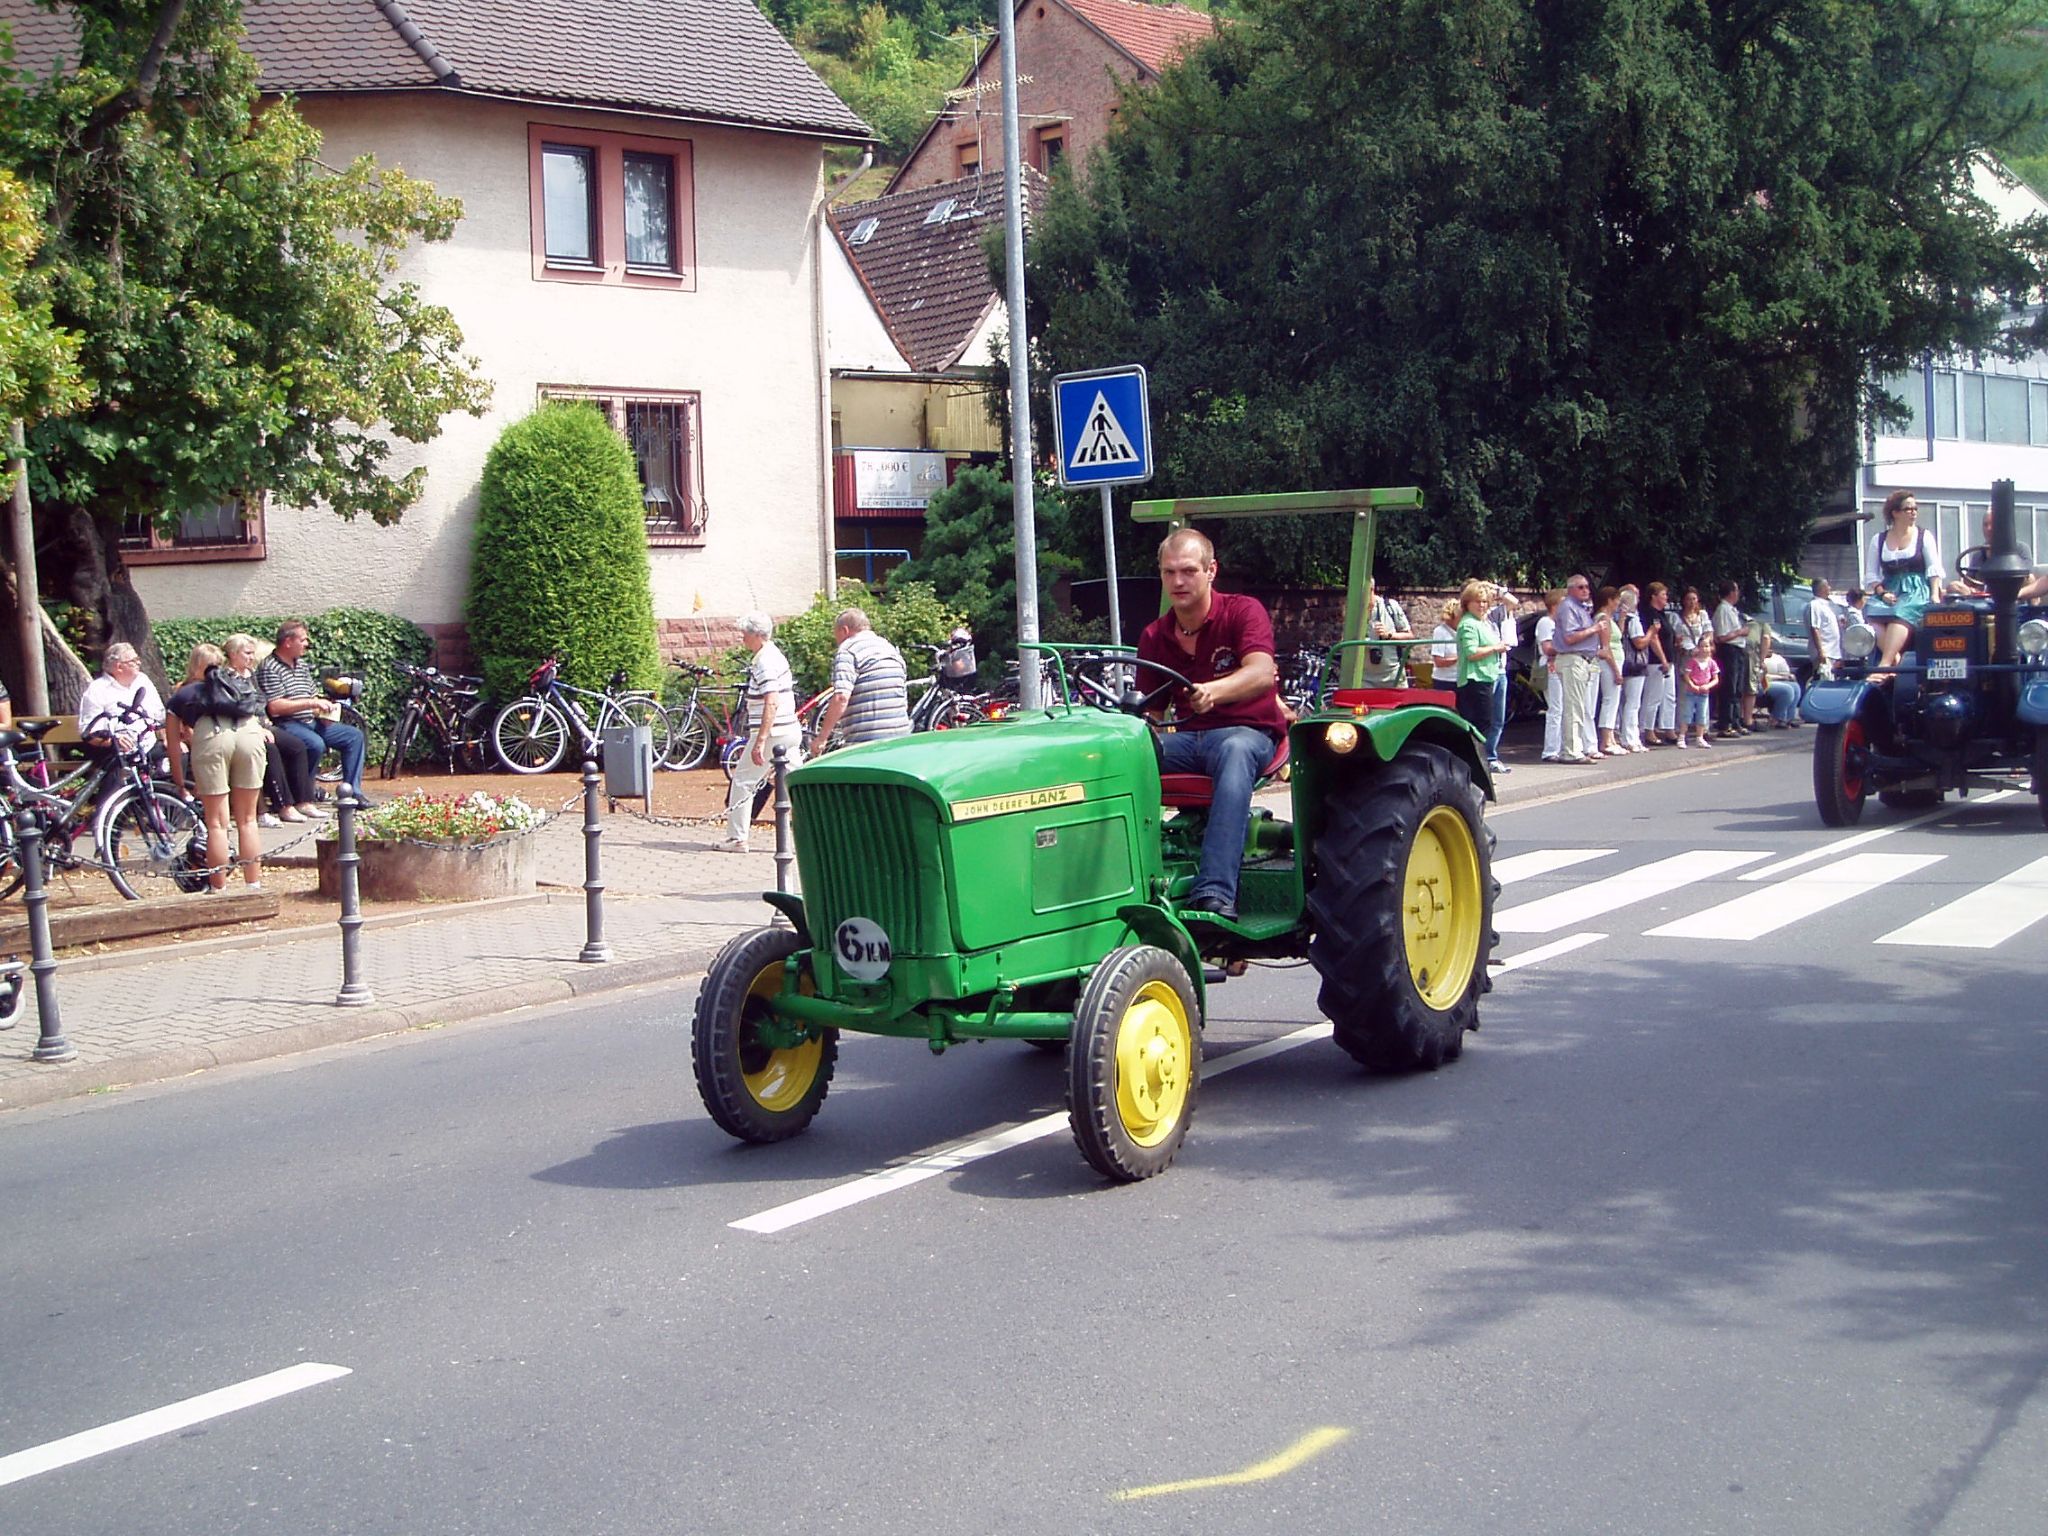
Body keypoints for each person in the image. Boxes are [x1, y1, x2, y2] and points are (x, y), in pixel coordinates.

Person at [1135, 527, 1288, 921]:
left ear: (1211, 571)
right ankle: (1130, 881)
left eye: (1188, 570)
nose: (1178, 581)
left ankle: (1215, 893)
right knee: (1126, 757)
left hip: (1248, 733)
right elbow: (1150, 715)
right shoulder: (1155, 636)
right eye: (1169, 573)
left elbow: (1261, 672)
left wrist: (1215, 692)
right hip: (1189, 741)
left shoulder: (1242, 612)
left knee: (1234, 751)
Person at [170, 635, 270, 892]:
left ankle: (219, 889)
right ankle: (253, 886)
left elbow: (172, 741)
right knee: (248, 819)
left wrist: (180, 781)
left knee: (216, 823)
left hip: (212, 735)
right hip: (248, 731)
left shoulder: (187, 692)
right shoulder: (241, 686)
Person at [718, 612, 804, 852]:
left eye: (745, 634)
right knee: (792, 783)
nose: (742, 638)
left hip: (773, 732)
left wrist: (761, 739)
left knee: (744, 780)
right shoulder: (776, 655)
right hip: (789, 729)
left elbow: (771, 700)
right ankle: (809, 835)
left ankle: (737, 838)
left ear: (757, 635)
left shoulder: (763, 660)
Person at [258, 620, 370, 802]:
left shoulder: (301, 665)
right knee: (315, 743)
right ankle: (302, 794)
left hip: (312, 721)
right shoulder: (269, 667)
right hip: (287, 723)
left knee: (354, 736)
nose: (307, 644)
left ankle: (353, 793)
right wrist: (311, 703)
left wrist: (324, 711)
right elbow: (275, 707)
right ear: (288, 642)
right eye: (302, 640)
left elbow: (312, 695)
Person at [1867, 490, 1945, 674]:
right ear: (1895, 513)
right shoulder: (1878, 540)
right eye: (1908, 509)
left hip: (1916, 588)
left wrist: (1934, 594)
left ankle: (1884, 666)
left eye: (1915, 508)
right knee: (1871, 613)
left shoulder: (1923, 536)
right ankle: (1896, 659)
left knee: (1901, 613)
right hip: (1889, 588)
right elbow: (1871, 574)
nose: (1913, 512)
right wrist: (1882, 593)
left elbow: (1934, 568)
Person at [812, 607, 912, 749]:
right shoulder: (889, 648)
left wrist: (822, 738)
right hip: (900, 737)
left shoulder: (848, 650)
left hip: (867, 743)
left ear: (844, 630)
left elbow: (841, 697)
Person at [1454, 580, 1511, 775]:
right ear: (1467, 603)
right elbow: (1471, 653)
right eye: (1477, 601)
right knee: (1478, 726)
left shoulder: (1482, 623)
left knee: (1486, 724)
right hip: (1474, 679)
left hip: (1487, 677)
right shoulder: (1468, 624)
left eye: (1485, 602)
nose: (1482, 605)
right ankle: (1473, 768)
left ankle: (1479, 766)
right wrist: (1496, 648)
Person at [77, 641, 166, 759]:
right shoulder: (97, 689)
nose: (139, 663)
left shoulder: (142, 680)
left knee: (180, 755)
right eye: (133, 661)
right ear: (119, 667)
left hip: (148, 747)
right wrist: (113, 741)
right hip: (115, 753)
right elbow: (88, 730)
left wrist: (168, 739)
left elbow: (159, 715)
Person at [1551, 574, 1603, 763]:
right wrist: (1594, 629)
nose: (1586, 590)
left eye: (1587, 587)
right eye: (1581, 587)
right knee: (1574, 707)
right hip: (1573, 659)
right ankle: (1572, 751)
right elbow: (1570, 637)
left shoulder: (1579, 608)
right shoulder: (1568, 607)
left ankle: (1573, 748)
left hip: (1581, 660)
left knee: (1577, 706)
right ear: (1571, 589)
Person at [1642, 582, 1681, 745]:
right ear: (1654, 596)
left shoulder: (1662, 614)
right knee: (1654, 696)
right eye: (1663, 594)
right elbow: (1654, 638)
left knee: (1669, 696)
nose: (1666, 598)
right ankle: (1648, 730)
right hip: (1656, 662)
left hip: (1669, 661)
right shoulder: (1651, 614)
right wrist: (1663, 659)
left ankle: (1668, 728)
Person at [1712, 580, 1752, 736]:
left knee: (1737, 688)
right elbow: (1721, 637)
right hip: (1729, 650)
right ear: (1731, 592)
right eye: (1736, 590)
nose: (1738, 594)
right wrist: (1740, 632)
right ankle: (1725, 723)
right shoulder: (1723, 610)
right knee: (1729, 687)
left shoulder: (1732, 610)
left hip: (1738, 649)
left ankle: (1736, 721)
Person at [1484, 584, 1516, 766]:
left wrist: (1497, 589)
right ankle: (1484, 757)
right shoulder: (1474, 618)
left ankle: (1491, 756)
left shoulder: (1494, 614)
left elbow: (1513, 602)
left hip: (1500, 670)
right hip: (1487, 671)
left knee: (1498, 718)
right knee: (1485, 718)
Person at [1615, 585, 1649, 753]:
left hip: (1621, 663)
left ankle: (1622, 735)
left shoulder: (1615, 618)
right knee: (1633, 703)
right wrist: (1651, 633)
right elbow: (1639, 642)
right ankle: (1631, 738)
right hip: (1635, 664)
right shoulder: (1634, 620)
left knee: (1621, 703)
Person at [1534, 589, 1565, 761]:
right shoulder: (1546, 622)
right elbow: (1547, 648)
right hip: (1551, 666)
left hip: (1560, 666)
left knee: (1563, 708)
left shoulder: (1560, 623)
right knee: (1556, 708)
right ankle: (1551, 750)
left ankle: (1561, 747)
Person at [1363, 580, 1413, 687]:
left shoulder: (1390, 607)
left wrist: (1389, 635)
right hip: (1364, 680)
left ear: (1371, 590)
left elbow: (1409, 637)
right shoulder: (1354, 612)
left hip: (1394, 678)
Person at [1678, 637, 1720, 748]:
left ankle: (1700, 737)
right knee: (1687, 714)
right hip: (1691, 692)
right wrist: (1692, 685)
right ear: (1698, 648)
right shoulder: (1692, 662)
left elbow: (1716, 679)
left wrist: (1708, 685)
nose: (1705, 649)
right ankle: (1682, 737)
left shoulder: (1711, 663)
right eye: (1702, 646)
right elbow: (1686, 675)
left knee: (1702, 716)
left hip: (1704, 693)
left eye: (1707, 646)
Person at [1756, 628, 1800, 726]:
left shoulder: (1776, 658)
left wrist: (1786, 677)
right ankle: (1777, 718)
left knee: (1795, 686)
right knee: (1786, 690)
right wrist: (1779, 678)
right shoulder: (1755, 657)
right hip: (1758, 684)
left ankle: (1789, 718)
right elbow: (1759, 677)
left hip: (1767, 681)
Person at [1808, 578, 1841, 682]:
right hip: (1825, 653)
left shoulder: (1827, 605)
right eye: (1827, 586)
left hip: (1833, 652)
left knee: (1833, 680)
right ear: (1822, 588)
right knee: (1824, 680)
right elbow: (1815, 628)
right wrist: (1821, 652)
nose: (1830, 588)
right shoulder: (1815, 605)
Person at [1428, 597, 1460, 692]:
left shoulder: (1463, 631)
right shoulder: (1440, 631)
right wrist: (1460, 658)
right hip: (1445, 680)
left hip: (1461, 679)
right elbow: (1439, 662)